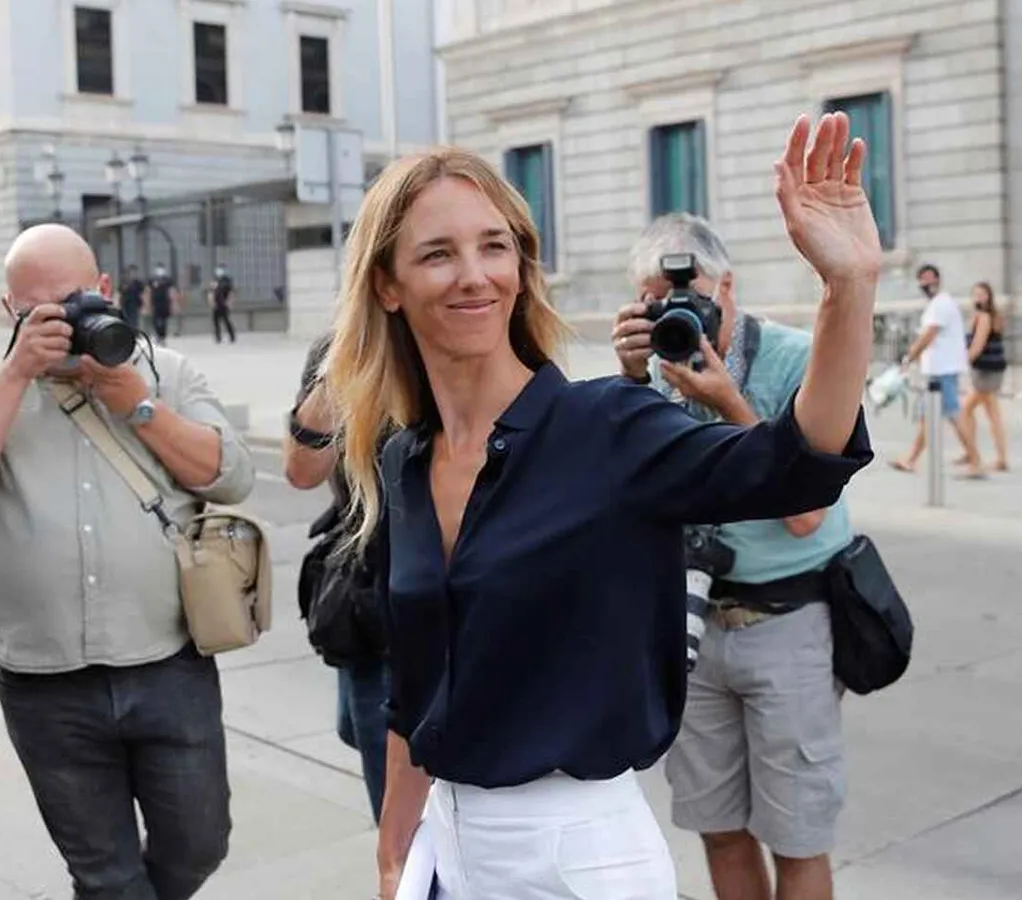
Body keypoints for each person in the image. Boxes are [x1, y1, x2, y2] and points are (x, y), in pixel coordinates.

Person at [320, 112, 879, 900]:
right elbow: (414, 692)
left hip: (579, 857)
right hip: (445, 851)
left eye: (494, 246)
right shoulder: (402, 463)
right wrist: (392, 859)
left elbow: (798, 464)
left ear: (521, 267)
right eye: (438, 253)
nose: (474, 275)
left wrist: (848, 288)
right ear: (387, 284)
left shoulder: (607, 429)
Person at [0, 224, 255, 900]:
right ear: (11, 312)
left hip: (168, 663)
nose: (64, 323)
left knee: (200, 843)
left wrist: (138, 404)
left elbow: (232, 476)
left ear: (104, 289)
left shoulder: (167, 372)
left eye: (74, 300)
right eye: (39, 310)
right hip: (46, 683)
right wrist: (17, 372)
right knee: (105, 877)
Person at [611, 212, 852, 900]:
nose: (677, 315)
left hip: (786, 623)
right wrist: (630, 382)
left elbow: (807, 513)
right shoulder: (653, 370)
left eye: (689, 298)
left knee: (798, 837)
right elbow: (622, 491)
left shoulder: (797, 360)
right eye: (656, 303)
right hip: (688, 626)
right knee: (718, 829)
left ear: (729, 288)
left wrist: (728, 403)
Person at [283, 331, 396, 821]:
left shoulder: (478, 330)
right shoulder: (339, 347)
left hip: (443, 596)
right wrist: (342, 368)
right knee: (356, 728)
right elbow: (302, 470)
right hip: (367, 586)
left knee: (395, 769)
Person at [891, 264, 978, 477]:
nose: (926, 283)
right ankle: (911, 459)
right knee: (927, 418)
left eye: (930, 278)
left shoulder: (941, 304)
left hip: (943, 370)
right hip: (937, 370)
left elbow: (928, 335)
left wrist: (909, 357)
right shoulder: (937, 304)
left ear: (938, 280)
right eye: (922, 279)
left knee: (954, 415)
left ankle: (975, 460)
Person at [959, 281, 1009, 473]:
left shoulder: (984, 317)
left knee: (965, 410)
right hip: (991, 370)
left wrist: (962, 363)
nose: (978, 297)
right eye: (976, 294)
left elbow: (977, 345)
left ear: (989, 297)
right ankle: (995, 456)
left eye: (982, 294)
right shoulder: (990, 316)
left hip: (986, 372)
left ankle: (973, 453)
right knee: (991, 413)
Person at [147, 263, 179, 345]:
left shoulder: (167, 280)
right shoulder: (152, 279)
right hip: (155, 303)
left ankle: (162, 337)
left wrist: (174, 303)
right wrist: (148, 304)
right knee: (155, 320)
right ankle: (158, 334)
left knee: (164, 320)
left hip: (165, 302)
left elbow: (171, 291)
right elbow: (148, 291)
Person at [209, 264, 238, 343]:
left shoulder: (227, 281)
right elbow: (211, 292)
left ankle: (232, 336)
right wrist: (211, 302)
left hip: (224, 303)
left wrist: (230, 302)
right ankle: (218, 337)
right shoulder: (215, 280)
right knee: (216, 321)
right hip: (216, 303)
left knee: (226, 320)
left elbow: (231, 292)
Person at [118, 264, 146, 330]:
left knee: (134, 318)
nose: (133, 274)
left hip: (135, 302)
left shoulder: (138, 282)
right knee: (126, 317)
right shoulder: (125, 281)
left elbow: (142, 290)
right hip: (126, 302)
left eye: (135, 272)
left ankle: (133, 330)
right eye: (132, 272)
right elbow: (120, 289)